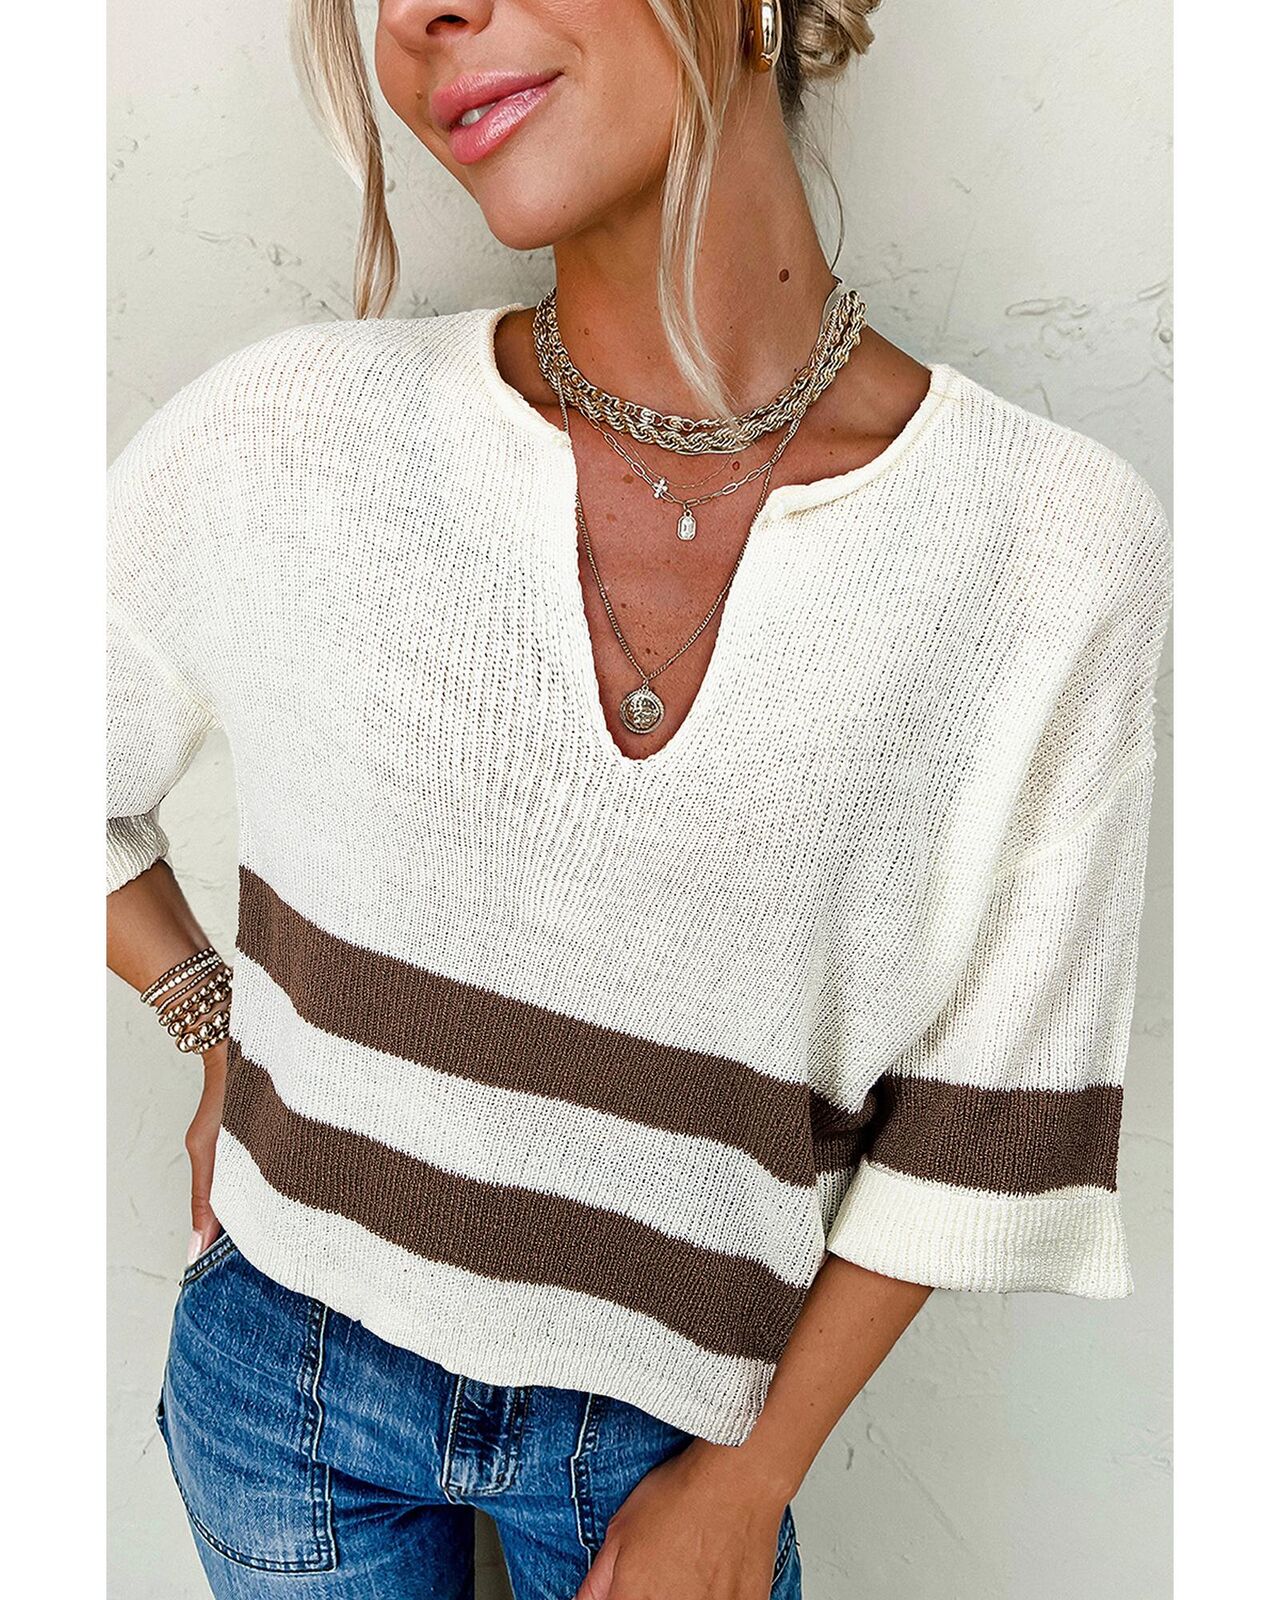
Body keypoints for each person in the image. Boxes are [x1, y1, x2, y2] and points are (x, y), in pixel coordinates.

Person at [105, 3, 1172, 1597]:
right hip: (282, 1380)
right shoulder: (295, 433)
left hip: (673, 1451)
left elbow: (990, 1113)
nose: (419, 17)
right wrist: (210, 1016)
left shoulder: (1050, 551)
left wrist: (754, 1478)